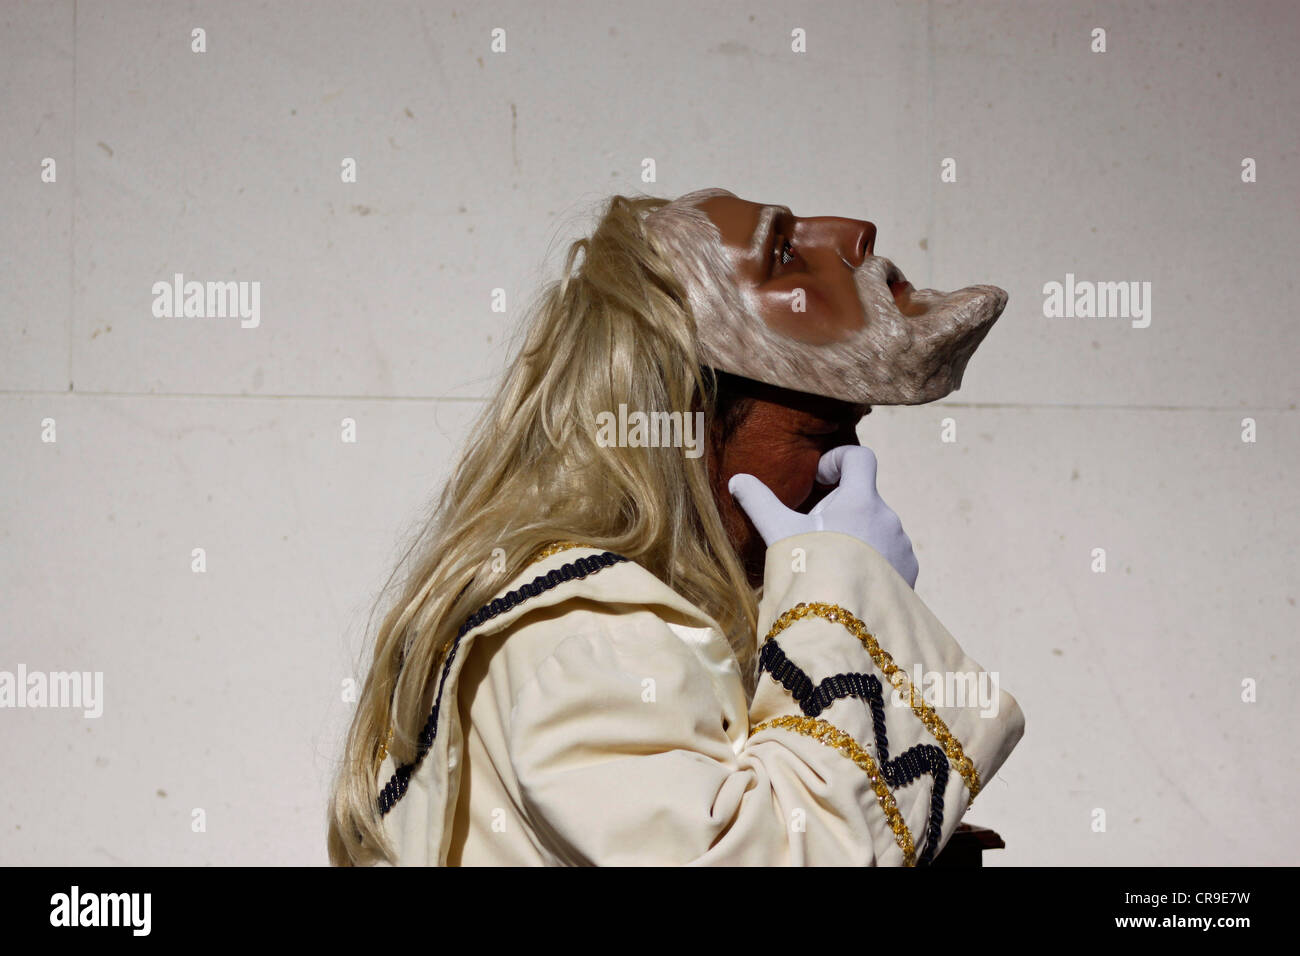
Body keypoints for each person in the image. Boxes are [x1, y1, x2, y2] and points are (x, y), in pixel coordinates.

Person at [327, 187, 1024, 866]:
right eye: (821, 435)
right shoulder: (591, 636)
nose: (843, 476)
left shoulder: (614, 622)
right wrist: (848, 589)